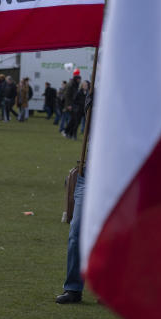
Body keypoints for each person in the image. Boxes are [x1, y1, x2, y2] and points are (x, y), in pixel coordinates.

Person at [56, 85, 93, 304]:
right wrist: (87, 106)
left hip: (116, 176)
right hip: (87, 174)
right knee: (76, 232)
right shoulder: (95, 97)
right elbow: (79, 121)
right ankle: (73, 288)